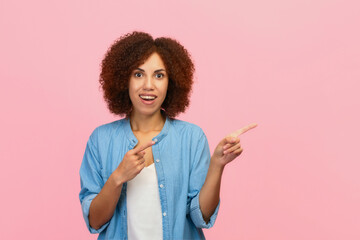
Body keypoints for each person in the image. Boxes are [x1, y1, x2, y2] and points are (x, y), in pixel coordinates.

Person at [79, 31, 257, 240]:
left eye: (159, 75)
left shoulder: (191, 138)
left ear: (171, 82)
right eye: (138, 74)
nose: (149, 85)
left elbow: (202, 217)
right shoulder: (101, 140)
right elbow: (94, 221)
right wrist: (118, 177)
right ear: (123, 79)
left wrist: (217, 164)